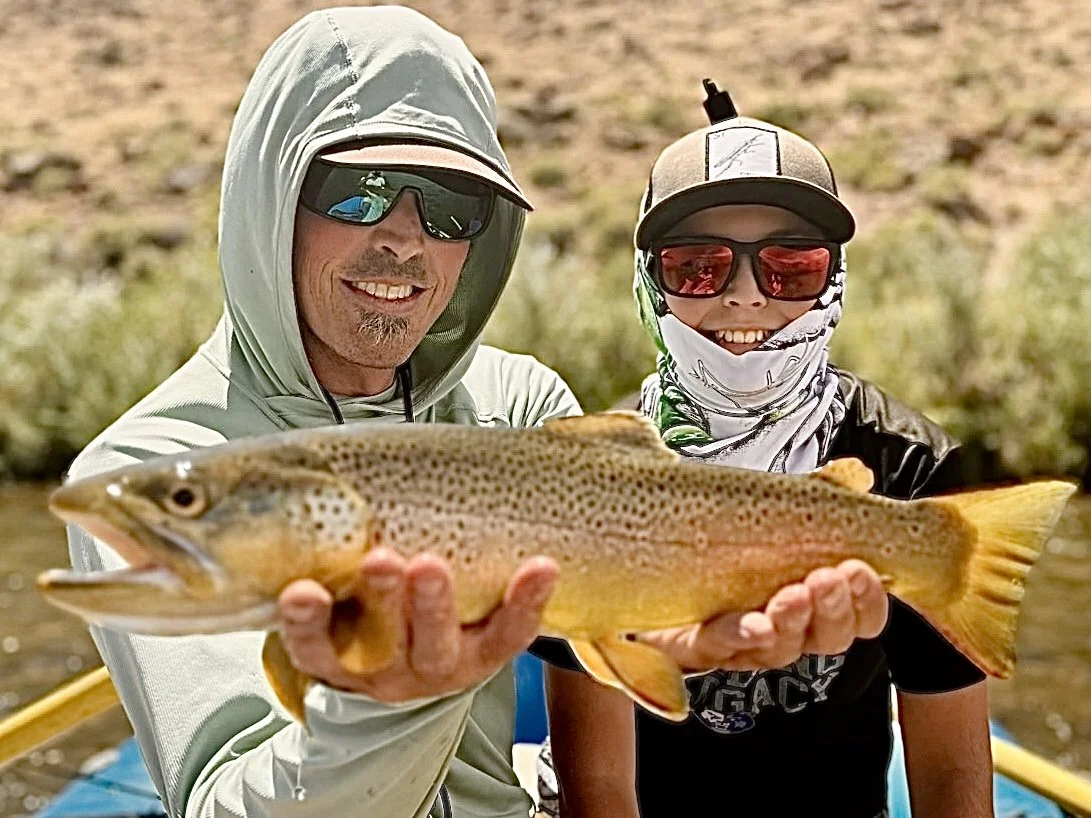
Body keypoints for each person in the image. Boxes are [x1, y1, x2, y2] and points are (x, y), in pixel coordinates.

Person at [63, 13, 891, 817]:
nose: (405, 239)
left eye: (451, 208)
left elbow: (616, 641)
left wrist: (673, 629)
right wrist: (383, 702)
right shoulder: (146, 467)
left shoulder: (516, 406)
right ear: (270, 196)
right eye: (357, 194)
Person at [535, 86, 993, 818]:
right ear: (649, 282)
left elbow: (950, 776)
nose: (746, 296)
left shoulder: (909, 469)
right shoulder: (588, 478)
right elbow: (601, 791)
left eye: (791, 266)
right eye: (696, 265)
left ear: (834, 278)